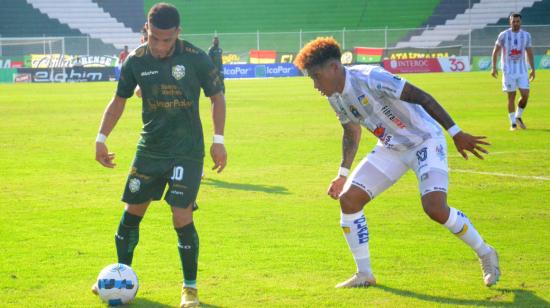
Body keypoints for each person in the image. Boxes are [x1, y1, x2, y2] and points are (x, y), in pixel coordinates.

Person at [293, 37, 500, 289]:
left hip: (424, 140)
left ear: (334, 68)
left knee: (434, 208)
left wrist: (455, 132)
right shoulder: (335, 97)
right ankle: (364, 274)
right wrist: (342, 174)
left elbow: (423, 97)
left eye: (316, 76)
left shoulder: (371, 77)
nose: (315, 84)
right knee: (349, 200)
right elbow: (351, 133)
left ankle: (485, 252)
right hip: (391, 148)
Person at [93, 3, 227, 307]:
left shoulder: (196, 58)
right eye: (154, 38)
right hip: (150, 149)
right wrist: (101, 138)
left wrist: (218, 140)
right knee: (131, 214)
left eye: (167, 40)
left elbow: (217, 98)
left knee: (181, 216)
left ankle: (189, 289)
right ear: (146, 31)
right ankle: (119, 276)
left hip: (187, 151)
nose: (160, 46)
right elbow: (118, 101)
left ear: (178, 33)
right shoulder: (135, 61)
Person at [491, 13, 535, 130]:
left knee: (525, 95)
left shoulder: (526, 35)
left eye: (517, 21)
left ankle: (518, 116)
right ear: (510, 22)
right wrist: (494, 67)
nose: (515, 23)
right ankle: (513, 124)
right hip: (508, 71)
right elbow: (495, 51)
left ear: (520, 22)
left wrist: (533, 69)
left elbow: (529, 52)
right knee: (511, 96)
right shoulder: (504, 35)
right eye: (513, 21)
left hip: (522, 70)